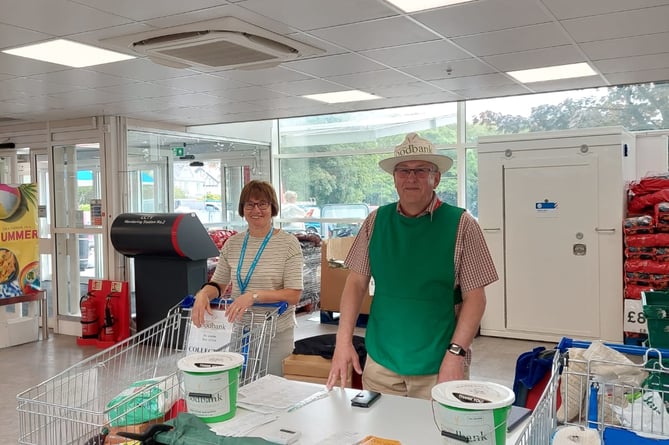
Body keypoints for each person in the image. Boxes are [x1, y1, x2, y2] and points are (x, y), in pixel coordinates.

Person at [325, 132, 498, 400]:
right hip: (382, 361)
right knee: (382, 437)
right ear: (394, 178)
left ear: (436, 177)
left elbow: (475, 299)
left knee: (438, 436)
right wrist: (342, 341)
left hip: (439, 363)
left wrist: (456, 354)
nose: (411, 178)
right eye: (403, 171)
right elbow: (356, 283)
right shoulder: (375, 222)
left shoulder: (462, 224)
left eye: (421, 170)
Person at [192, 180, 304, 376]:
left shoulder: (288, 243)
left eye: (263, 204)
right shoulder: (233, 243)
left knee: (270, 391)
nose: (256, 210)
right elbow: (218, 284)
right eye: (250, 204)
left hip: (274, 333)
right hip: (239, 329)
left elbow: (294, 295)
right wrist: (203, 294)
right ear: (242, 209)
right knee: (239, 389)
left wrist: (254, 296)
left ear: (273, 207)